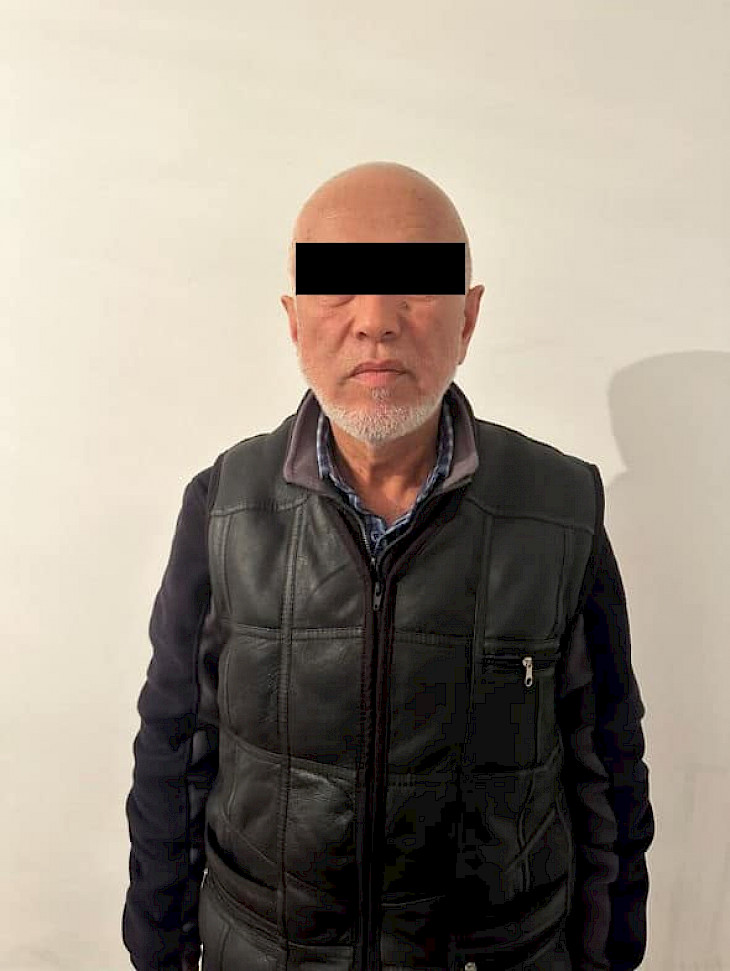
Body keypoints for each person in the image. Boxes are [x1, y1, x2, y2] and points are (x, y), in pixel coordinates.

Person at [122, 162, 655, 971]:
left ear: (468, 317)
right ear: (294, 320)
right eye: (338, 286)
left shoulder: (560, 509)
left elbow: (608, 769)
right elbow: (172, 754)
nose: (375, 320)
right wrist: (159, 952)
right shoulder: (223, 505)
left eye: (415, 283)